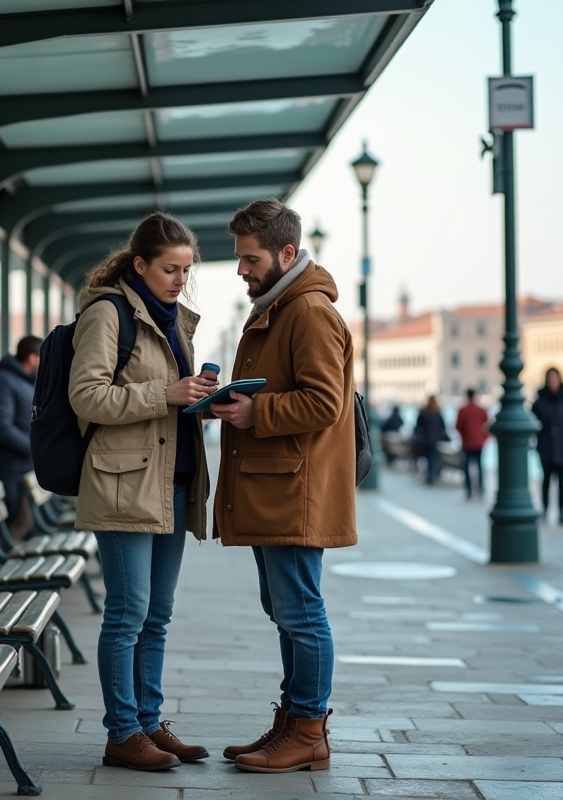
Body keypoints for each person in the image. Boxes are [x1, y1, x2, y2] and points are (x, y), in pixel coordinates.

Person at [211, 199, 356, 774]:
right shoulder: (283, 305)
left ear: (286, 253)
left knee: (301, 611)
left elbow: (325, 401)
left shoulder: (309, 312)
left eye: (250, 259)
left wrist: (255, 413)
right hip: (278, 487)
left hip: (294, 491)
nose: (241, 269)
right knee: (286, 608)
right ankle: (293, 721)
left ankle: (309, 731)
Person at [68, 212, 215, 770]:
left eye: (186, 270)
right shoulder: (108, 313)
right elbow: (88, 398)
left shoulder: (175, 319)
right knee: (127, 614)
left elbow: (171, 399)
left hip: (172, 483)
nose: (180, 279)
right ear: (139, 265)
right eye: (169, 269)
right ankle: (122, 732)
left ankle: (150, 724)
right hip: (124, 483)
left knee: (158, 614)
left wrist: (202, 399)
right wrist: (167, 393)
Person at [0, 335, 43, 531]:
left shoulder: (26, 383)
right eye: (42, 358)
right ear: (32, 358)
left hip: (25, 468)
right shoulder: (2, 382)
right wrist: (35, 447)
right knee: (12, 527)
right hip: (8, 470)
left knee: (24, 526)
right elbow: (2, 428)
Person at [531, 367, 563, 525]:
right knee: (545, 480)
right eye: (550, 378)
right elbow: (532, 424)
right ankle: (545, 511)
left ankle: (561, 514)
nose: (553, 382)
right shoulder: (539, 402)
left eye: (555, 378)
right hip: (545, 447)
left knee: (562, 482)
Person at [454, 389, 490, 499]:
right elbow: (488, 425)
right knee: (479, 466)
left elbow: (458, 427)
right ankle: (480, 488)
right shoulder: (481, 410)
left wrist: (464, 435)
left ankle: (469, 489)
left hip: (467, 443)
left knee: (467, 467)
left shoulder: (463, 410)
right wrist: (484, 438)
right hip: (479, 443)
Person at [413, 395, 449, 485]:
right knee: (433, 456)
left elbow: (418, 427)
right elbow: (443, 426)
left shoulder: (423, 412)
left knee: (430, 457)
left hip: (426, 439)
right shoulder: (437, 412)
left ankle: (430, 474)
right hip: (436, 439)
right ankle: (433, 473)